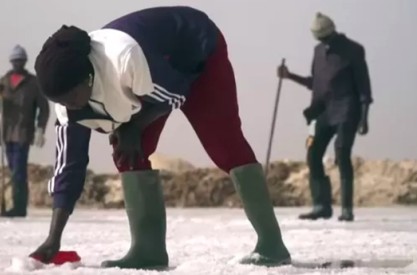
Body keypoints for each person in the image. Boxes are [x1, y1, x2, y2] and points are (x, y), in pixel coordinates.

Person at [30, 6, 291, 269]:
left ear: (88, 78)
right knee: (129, 153)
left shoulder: (123, 58)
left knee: (225, 145)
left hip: (196, 53)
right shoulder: (66, 104)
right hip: (153, 79)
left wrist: (133, 127)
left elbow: (176, 91)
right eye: (61, 102)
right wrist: (54, 238)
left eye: (72, 98)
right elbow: (69, 168)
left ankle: (272, 245)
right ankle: (148, 251)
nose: (70, 106)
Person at [277, 12, 373, 222]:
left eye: (324, 37)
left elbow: (364, 87)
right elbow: (316, 83)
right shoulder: (318, 51)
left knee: (342, 154)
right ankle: (321, 205)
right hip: (323, 112)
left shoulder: (354, 50)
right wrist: (289, 75)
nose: (322, 41)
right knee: (313, 153)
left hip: (347, 110)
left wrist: (364, 118)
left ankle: (346, 209)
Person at [0, 45, 51, 218]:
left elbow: (44, 109)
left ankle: (19, 206)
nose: (18, 63)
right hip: (6, 132)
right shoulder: (2, 81)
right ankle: (11, 204)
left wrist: (40, 129)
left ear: (25, 62)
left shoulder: (33, 83)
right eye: (15, 61)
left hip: (23, 133)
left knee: (18, 170)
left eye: (20, 61)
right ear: (11, 62)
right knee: (11, 170)